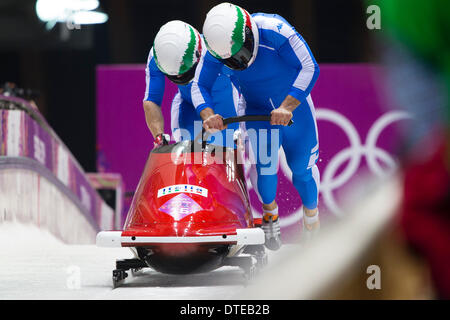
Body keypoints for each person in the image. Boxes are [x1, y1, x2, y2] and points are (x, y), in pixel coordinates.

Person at [192, 3, 320, 249]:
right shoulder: (214, 51)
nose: (237, 62)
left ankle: (312, 218)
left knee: (302, 169)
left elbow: (310, 66)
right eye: (230, 60)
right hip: (256, 109)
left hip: (295, 110)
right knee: (265, 167)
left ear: (249, 33)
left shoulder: (275, 30)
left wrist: (287, 106)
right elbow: (199, 85)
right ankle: (270, 213)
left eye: (239, 54)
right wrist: (208, 114)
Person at [143, 20, 239, 148]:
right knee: (189, 160)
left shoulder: (217, 48)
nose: (178, 76)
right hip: (189, 107)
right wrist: (159, 136)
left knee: (233, 157)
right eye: (173, 74)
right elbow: (152, 100)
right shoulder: (157, 57)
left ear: (198, 54)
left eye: (184, 72)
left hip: (227, 106)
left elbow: (244, 82)